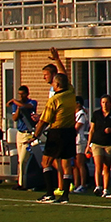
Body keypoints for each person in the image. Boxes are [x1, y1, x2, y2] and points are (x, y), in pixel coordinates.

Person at [35, 54, 77, 203]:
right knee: (66, 164)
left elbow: (43, 121)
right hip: (70, 131)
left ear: (57, 85)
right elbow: (64, 75)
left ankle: (49, 193)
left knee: (46, 162)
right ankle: (65, 195)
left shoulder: (54, 100)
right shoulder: (71, 93)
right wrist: (58, 60)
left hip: (57, 132)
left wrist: (35, 136)